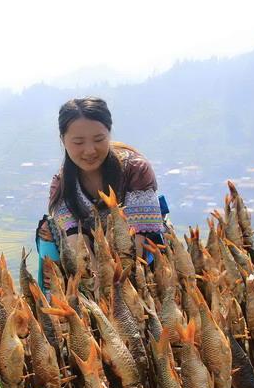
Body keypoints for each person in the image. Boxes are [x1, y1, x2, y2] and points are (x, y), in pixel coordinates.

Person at [35, 97, 167, 289]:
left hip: (134, 245)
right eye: (78, 142)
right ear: (63, 140)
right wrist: (99, 283)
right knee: (47, 232)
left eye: (98, 140)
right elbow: (76, 241)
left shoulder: (136, 169)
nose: (90, 150)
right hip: (88, 252)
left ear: (109, 134)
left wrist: (122, 282)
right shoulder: (61, 185)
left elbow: (139, 238)